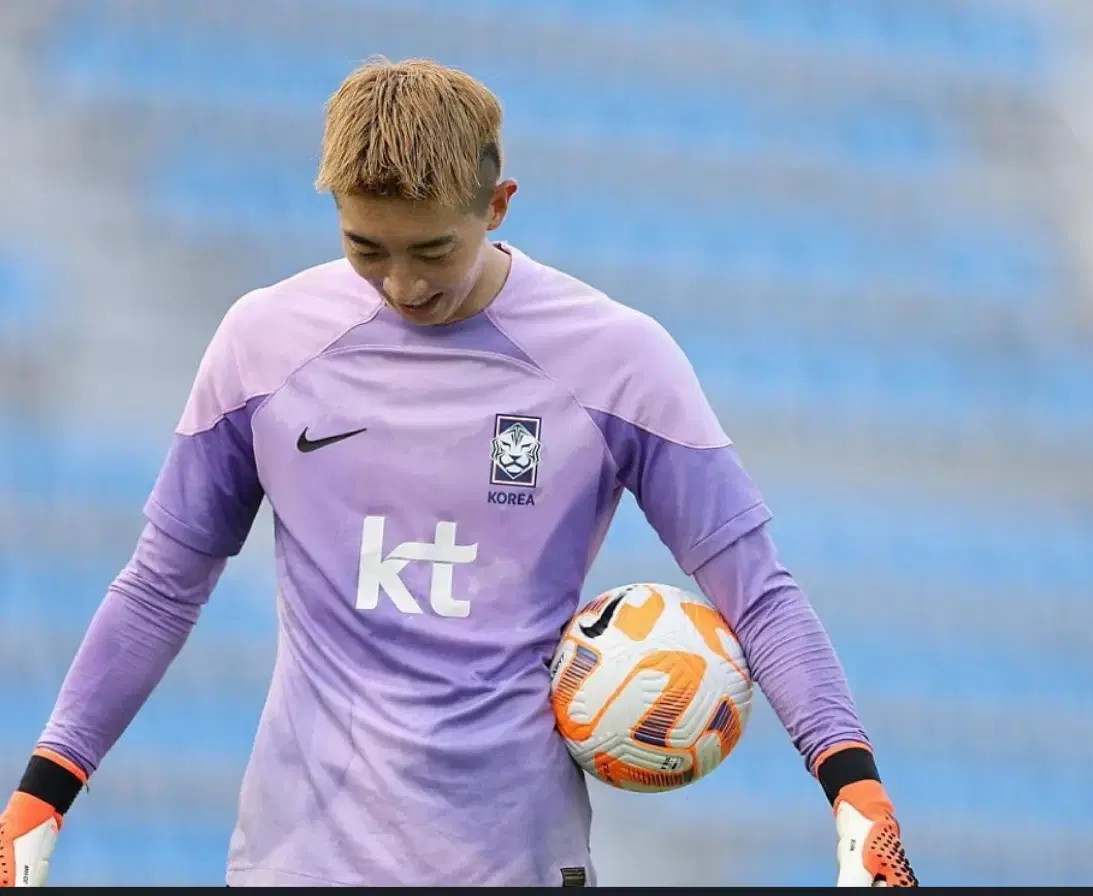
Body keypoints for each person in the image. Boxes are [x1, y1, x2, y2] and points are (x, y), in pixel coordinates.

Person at [0, 58, 917, 888]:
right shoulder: (261, 344)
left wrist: (854, 787)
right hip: (295, 864)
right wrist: (43, 792)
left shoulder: (617, 360)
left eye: (432, 250)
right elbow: (162, 585)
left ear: (499, 203)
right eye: (368, 248)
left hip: (511, 864)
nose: (401, 286)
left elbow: (755, 588)